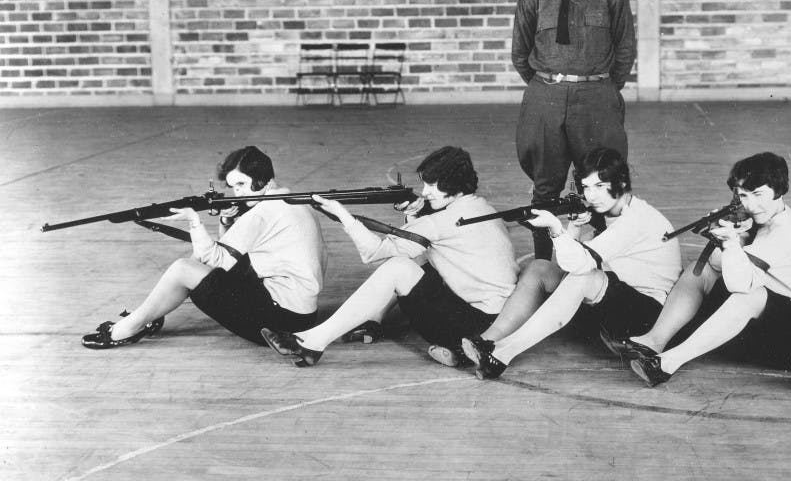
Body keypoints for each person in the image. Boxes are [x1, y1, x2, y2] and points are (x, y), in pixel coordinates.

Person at [260, 146, 519, 368]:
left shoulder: (441, 221)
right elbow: (423, 245)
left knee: (397, 267)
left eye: (432, 184)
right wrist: (414, 216)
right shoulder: (480, 206)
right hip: (496, 319)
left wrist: (342, 215)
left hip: (468, 328)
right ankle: (371, 322)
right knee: (410, 261)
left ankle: (312, 342)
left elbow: (373, 252)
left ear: (452, 184)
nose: (425, 192)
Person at [461, 147, 682, 380]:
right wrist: (574, 227)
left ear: (623, 183)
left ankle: (503, 354)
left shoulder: (635, 220)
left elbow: (580, 268)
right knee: (540, 268)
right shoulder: (611, 214)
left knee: (586, 276)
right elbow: (567, 269)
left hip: (644, 318)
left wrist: (556, 229)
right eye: (586, 187)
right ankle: (486, 341)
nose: (592, 195)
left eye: (600, 186)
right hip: (610, 307)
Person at [621, 152, 791, 387]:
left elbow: (738, 285)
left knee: (752, 295)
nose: (750, 204)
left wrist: (732, 242)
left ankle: (666, 364)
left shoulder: (788, 231)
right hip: (770, 329)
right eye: (743, 195)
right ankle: (653, 341)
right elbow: (714, 265)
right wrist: (733, 234)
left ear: (779, 189)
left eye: (758, 194)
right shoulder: (759, 221)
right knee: (699, 270)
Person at [81, 146, 327, 348]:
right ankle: (147, 316)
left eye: (241, 185)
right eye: (233, 187)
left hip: (279, 323)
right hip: (304, 315)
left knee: (183, 269)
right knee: (194, 264)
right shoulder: (293, 200)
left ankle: (127, 329)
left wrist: (194, 221)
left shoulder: (262, 213)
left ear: (261, 180)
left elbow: (213, 259)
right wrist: (225, 221)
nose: (237, 194)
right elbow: (234, 258)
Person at [512, 0, 636, 260]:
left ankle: (603, 260)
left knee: (601, 182)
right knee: (546, 186)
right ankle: (542, 265)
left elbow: (625, 49)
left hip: (596, 98)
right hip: (545, 98)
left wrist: (602, 89)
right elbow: (520, 54)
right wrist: (550, 86)